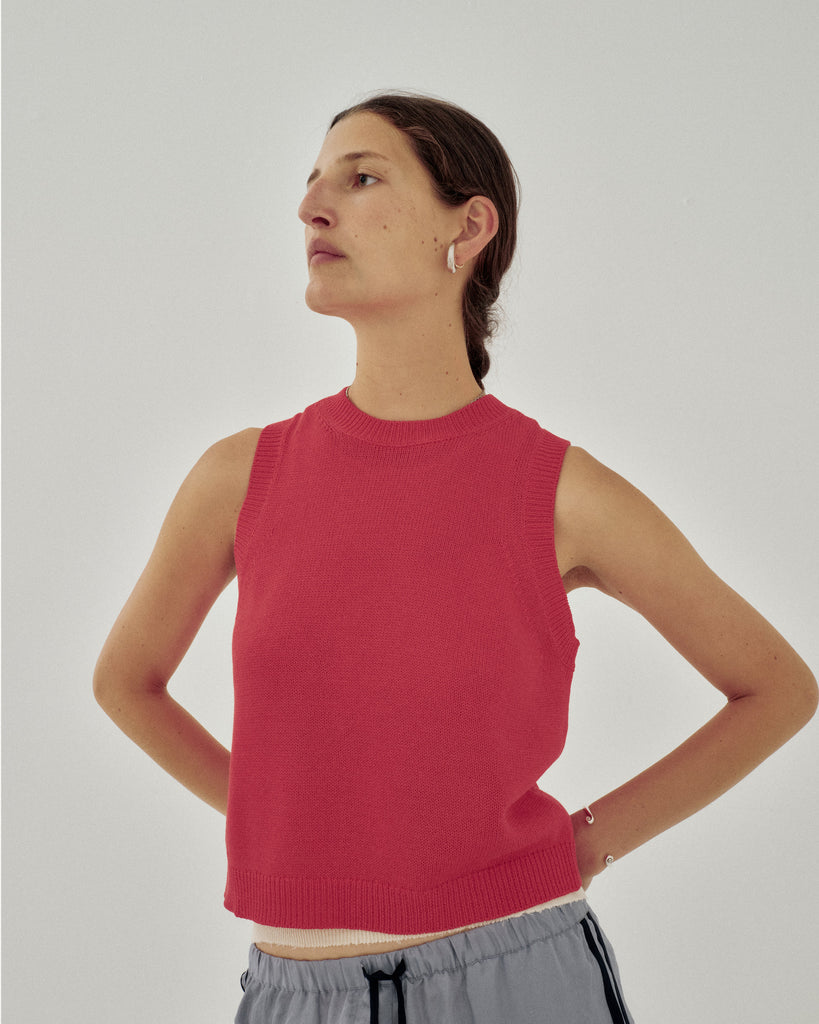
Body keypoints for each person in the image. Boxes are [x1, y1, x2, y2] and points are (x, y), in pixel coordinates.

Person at [93, 93, 817, 1024]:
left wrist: (582, 845)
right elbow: (127, 682)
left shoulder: (559, 491)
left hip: (513, 975)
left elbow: (775, 688)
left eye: (360, 178)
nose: (312, 207)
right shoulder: (240, 477)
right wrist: (278, 818)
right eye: (310, 184)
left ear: (468, 228)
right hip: (291, 992)